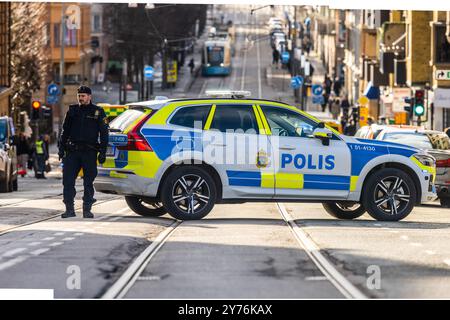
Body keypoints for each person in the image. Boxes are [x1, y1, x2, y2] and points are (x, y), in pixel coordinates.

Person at [59, 85, 109, 219]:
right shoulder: (72, 111)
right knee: (68, 181)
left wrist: (103, 152)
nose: (81, 98)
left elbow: (104, 133)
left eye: (83, 96)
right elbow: (65, 131)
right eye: (79, 96)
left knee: (88, 181)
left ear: (89, 97)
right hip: (72, 152)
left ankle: (87, 209)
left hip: (89, 152)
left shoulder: (98, 112)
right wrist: (61, 148)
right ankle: (69, 209)